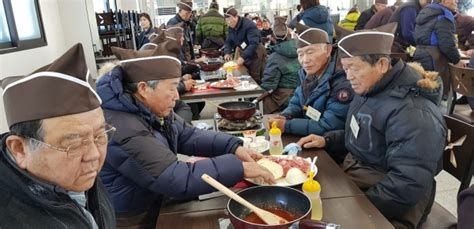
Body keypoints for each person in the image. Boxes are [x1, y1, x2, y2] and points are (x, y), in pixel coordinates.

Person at [96, 37, 274, 228]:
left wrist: (233, 147)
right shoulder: (121, 125)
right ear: (144, 89)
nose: (177, 95)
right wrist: (240, 168)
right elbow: (174, 177)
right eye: (172, 87)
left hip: (154, 196)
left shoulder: (147, 108)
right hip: (133, 215)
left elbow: (188, 135)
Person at [298, 31, 447, 228]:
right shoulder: (371, 89)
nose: (349, 77)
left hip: (391, 201)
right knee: (303, 200)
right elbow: (367, 136)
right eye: (346, 68)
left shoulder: (413, 113)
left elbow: (407, 183)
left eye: (354, 68)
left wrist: (358, 208)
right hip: (359, 176)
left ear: (382, 65)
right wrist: (328, 140)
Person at [0, 43, 116, 228]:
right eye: (75, 143)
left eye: (100, 135)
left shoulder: (76, 174)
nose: (94, 155)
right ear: (19, 149)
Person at [268, 23, 353, 137]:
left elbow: (329, 125)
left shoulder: (343, 80)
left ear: (328, 50)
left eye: (310, 52)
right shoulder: (308, 73)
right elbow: (297, 101)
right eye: (300, 54)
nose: (305, 60)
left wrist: (286, 125)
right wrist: (286, 115)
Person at [413, 0, 465, 100]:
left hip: (419, 54)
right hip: (434, 59)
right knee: (436, 95)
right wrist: (457, 60)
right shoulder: (444, 15)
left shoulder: (425, 12)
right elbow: (447, 44)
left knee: (421, 93)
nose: (456, 1)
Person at [260, 16, 301, 114]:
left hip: (285, 97)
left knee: (259, 107)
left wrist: (255, 95)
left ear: (273, 38)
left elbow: (269, 86)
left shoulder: (274, 57)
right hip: (301, 94)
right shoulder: (301, 50)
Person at [223, 6, 266, 84]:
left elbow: (254, 43)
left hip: (256, 52)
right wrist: (227, 52)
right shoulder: (231, 27)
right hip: (245, 52)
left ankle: (257, 95)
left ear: (236, 17)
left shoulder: (248, 25)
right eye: (226, 21)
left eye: (230, 20)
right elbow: (228, 41)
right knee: (245, 74)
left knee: (255, 77)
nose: (229, 23)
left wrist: (243, 57)